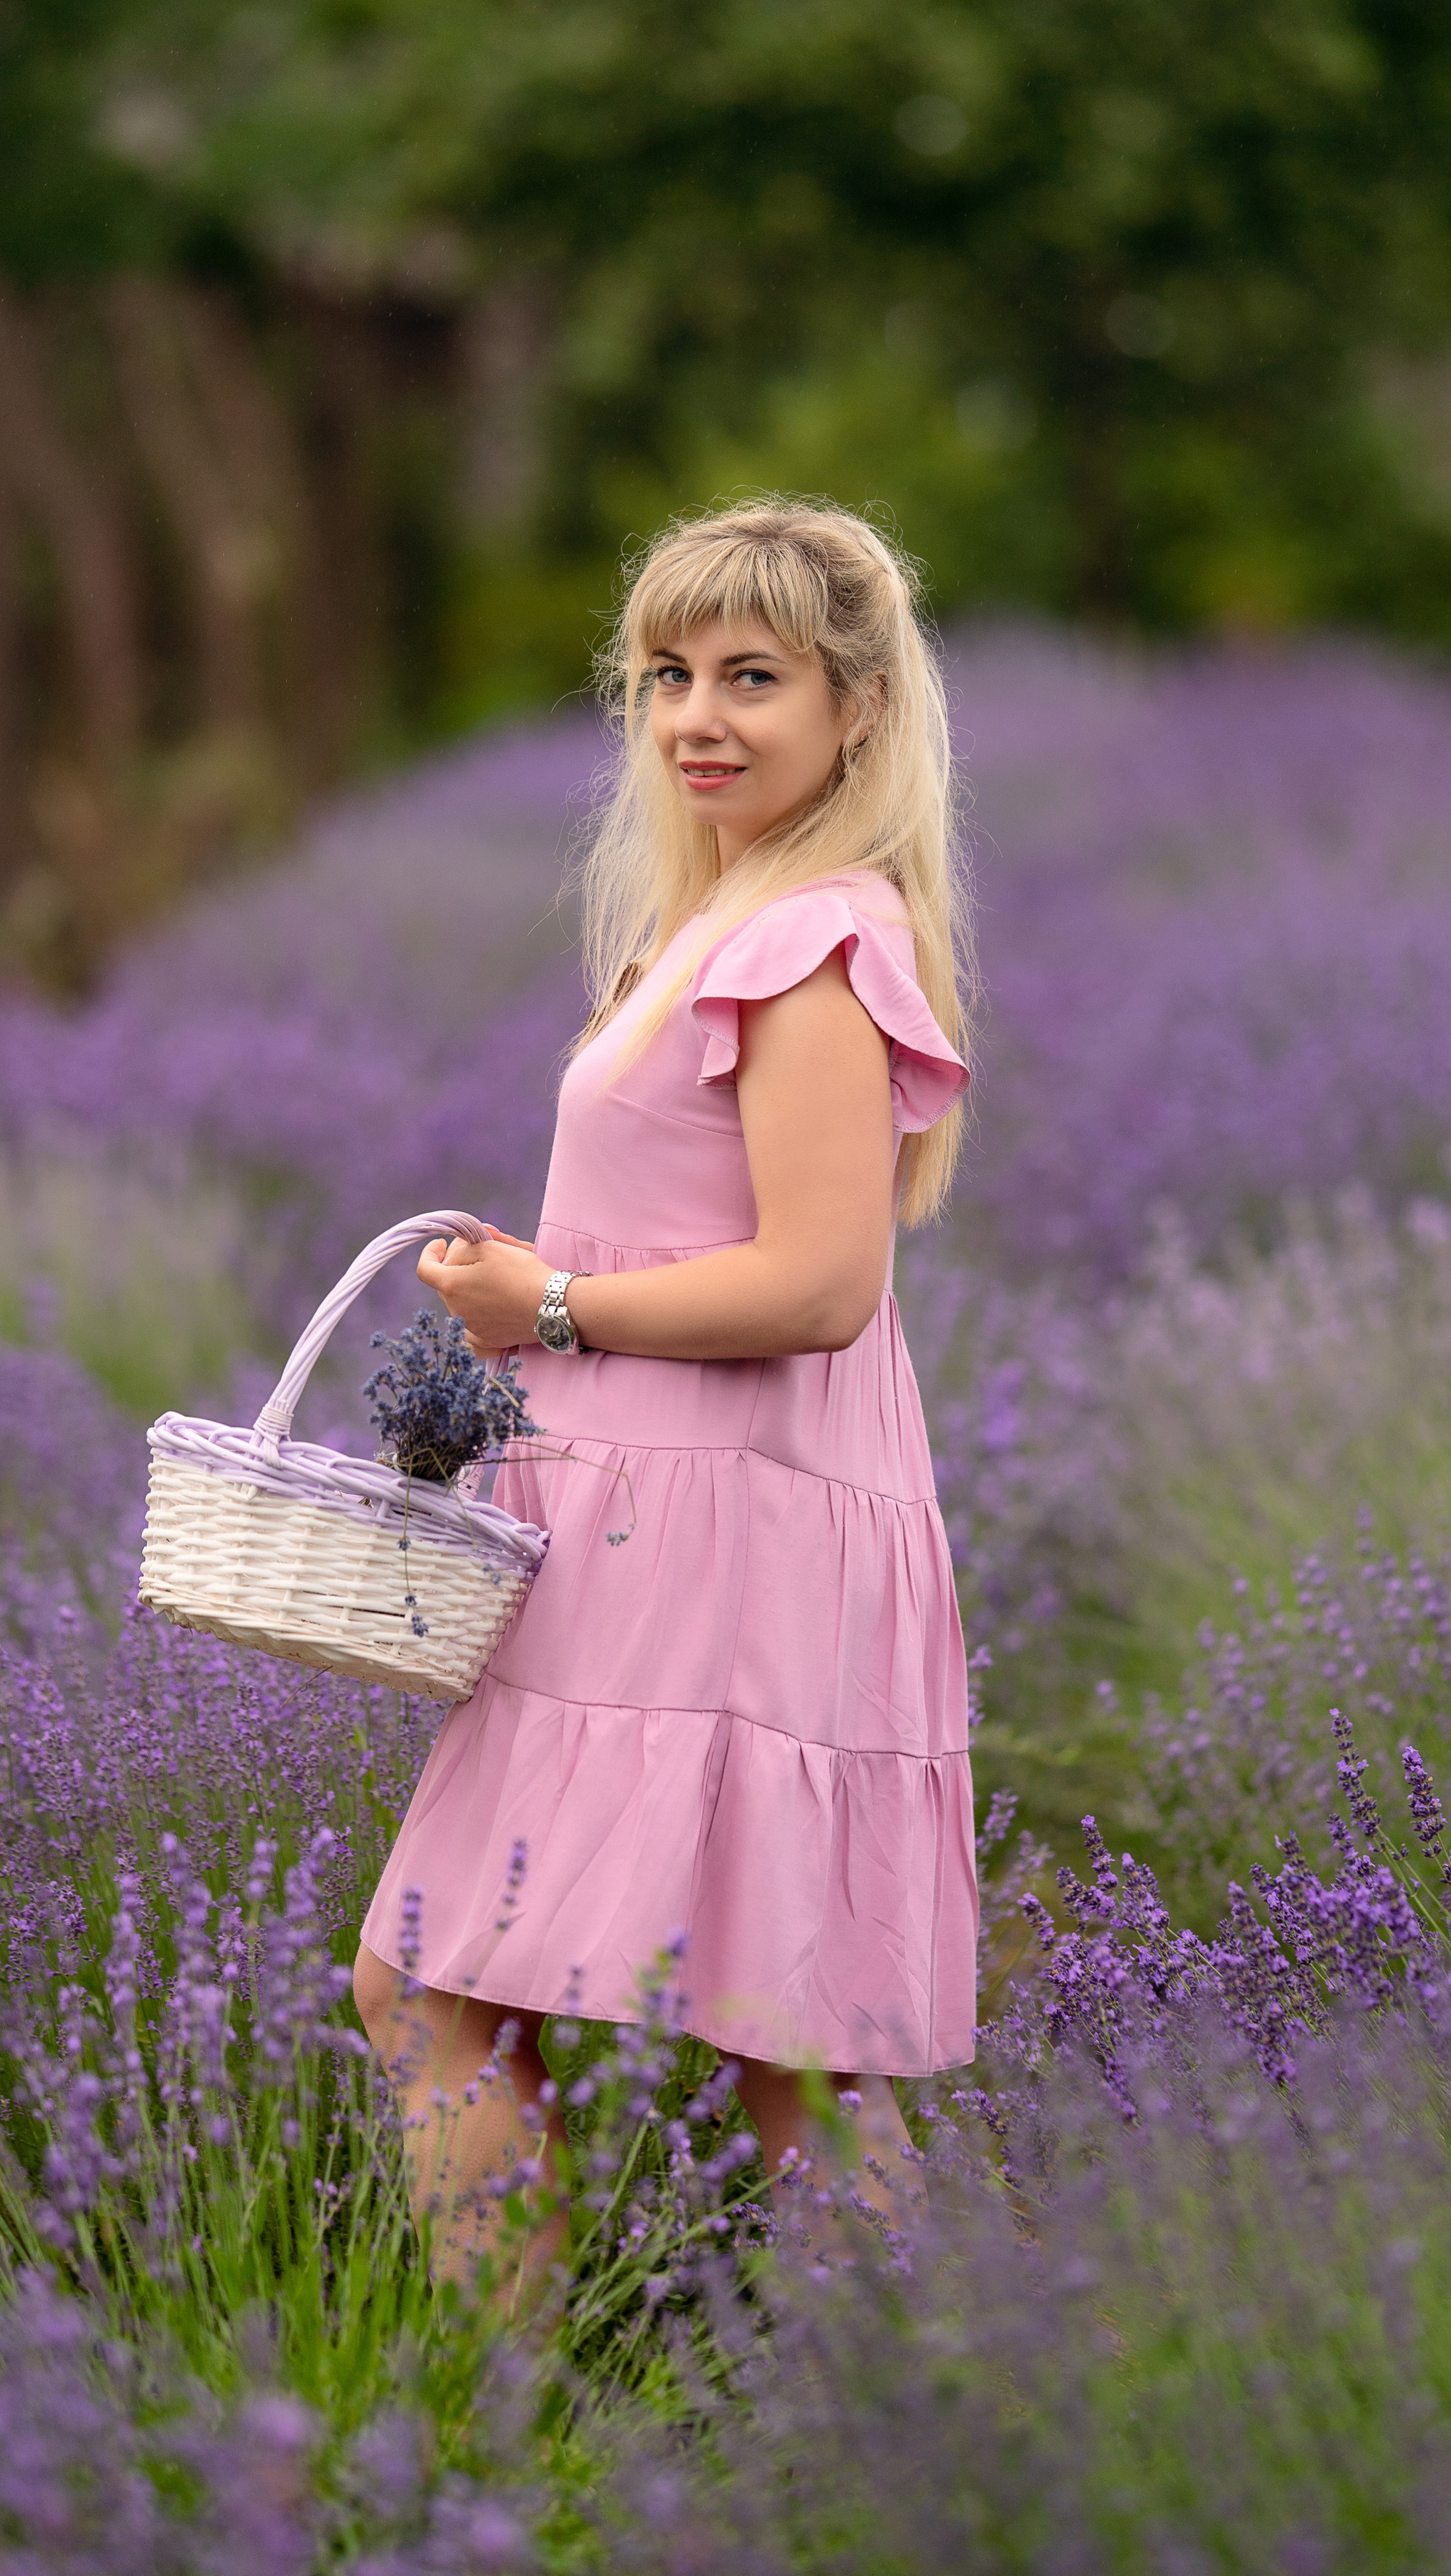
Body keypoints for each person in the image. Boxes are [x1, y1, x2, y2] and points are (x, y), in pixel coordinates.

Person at [351, 498, 978, 2288]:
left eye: (752, 677)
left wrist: (542, 1299)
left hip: (717, 1533)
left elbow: (819, 1285)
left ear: (854, 708)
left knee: (537, 2002)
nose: (696, 714)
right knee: (761, 2038)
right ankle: (919, 2450)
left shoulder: (806, 946)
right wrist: (535, 1298)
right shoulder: (732, 927)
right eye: (665, 676)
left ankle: (526, 2457)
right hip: (662, 1515)